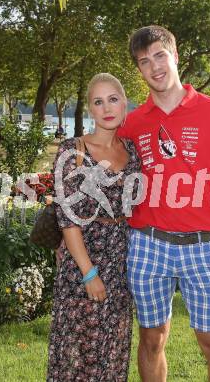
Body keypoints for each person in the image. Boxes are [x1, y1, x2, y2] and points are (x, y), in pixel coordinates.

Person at [118, 25, 210, 382]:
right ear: (139, 70)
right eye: (144, 61)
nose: (154, 66)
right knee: (151, 340)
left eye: (160, 55)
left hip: (203, 246)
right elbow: (103, 176)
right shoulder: (132, 123)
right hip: (147, 245)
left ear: (175, 56)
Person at [47, 73, 141, 381]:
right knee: (77, 352)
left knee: (112, 351)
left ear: (124, 104)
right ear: (90, 109)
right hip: (82, 263)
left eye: (113, 99)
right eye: (98, 102)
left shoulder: (132, 152)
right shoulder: (72, 151)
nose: (106, 108)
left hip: (121, 261)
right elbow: (67, 218)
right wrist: (88, 273)